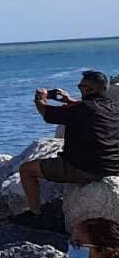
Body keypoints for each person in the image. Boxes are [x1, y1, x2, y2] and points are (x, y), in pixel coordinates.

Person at [18, 71, 119, 217]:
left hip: (86, 169)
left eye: (81, 86)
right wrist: (69, 100)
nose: (78, 87)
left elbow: (45, 112)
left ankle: (36, 214)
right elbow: (90, 109)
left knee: (26, 170)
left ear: (89, 89)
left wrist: (40, 97)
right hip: (114, 165)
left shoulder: (79, 110)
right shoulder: (114, 108)